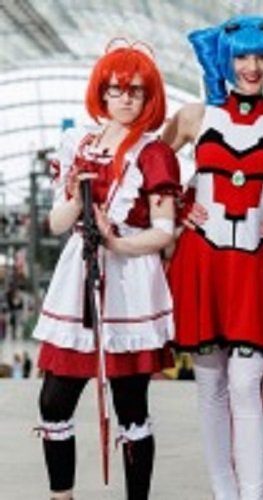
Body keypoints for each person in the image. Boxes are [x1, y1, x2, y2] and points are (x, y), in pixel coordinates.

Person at [163, 15, 263, 500]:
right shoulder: (194, 117)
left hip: (256, 266)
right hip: (202, 263)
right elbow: (147, 172)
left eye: (261, 57)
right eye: (242, 56)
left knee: (246, 383)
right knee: (209, 386)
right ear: (224, 61)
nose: (252, 67)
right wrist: (179, 208)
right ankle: (224, 493)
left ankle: (254, 494)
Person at [32, 40, 179, 500]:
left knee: (130, 405)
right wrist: (78, 198)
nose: (125, 99)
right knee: (53, 401)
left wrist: (116, 242)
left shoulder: (154, 154)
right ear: (102, 91)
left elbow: (164, 231)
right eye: (116, 89)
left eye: (136, 90)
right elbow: (57, 223)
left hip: (129, 280)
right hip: (78, 275)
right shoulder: (79, 144)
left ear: (149, 95)